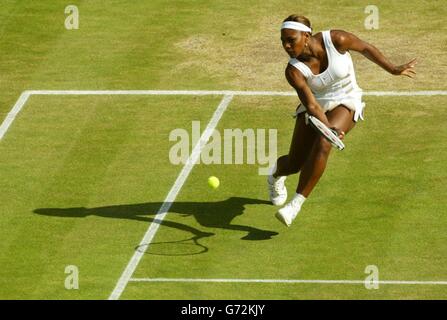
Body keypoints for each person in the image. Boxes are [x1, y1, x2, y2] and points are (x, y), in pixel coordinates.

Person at [268, 14, 416, 227]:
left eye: (291, 40)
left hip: (346, 100)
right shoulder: (293, 70)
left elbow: (365, 48)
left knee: (324, 143)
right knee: (294, 164)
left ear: (307, 35)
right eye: (283, 41)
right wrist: (328, 128)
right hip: (317, 105)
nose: (287, 46)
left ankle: (295, 205)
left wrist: (392, 69)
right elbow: (312, 106)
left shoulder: (336, 39)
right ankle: (274, 176)